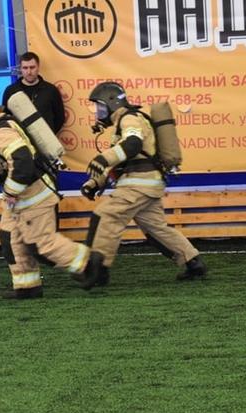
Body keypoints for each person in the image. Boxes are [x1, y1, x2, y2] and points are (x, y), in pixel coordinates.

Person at [0, 92, 101, 298]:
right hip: (17, 200)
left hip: (34, 196)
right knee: (11, 240)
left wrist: (10, 191)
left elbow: (22, 161)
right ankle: (27, 286)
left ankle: (89, 263)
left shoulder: (0, 133)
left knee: (42, 245)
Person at [79, 82, 207, 288]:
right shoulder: (125, 121)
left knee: (105, 215)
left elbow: (133, 144)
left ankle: (97, 271)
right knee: (157, 229)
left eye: (100, 106)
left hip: (138, 184)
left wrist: (103, 158)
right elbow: (121, 162)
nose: (98, 112)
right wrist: (96, 182)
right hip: (148, 184)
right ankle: (193, 262)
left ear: (112, 103)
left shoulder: (129, 118)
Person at [2, 52, 65, 134]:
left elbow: (60, 117)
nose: (29, 72)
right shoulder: (10, 91)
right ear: (20, 69)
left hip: (46, 139)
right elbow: (5, 118)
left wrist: (49, 135)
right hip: (20, 139)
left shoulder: (51, 90)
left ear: (38, 67)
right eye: (25, 68)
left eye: (32, 67)